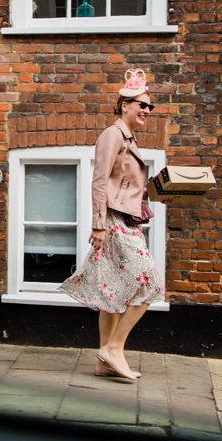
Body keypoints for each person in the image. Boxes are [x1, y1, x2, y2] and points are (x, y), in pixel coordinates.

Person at [58, 68, 164, 382]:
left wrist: (158, 193)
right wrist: (99, 226)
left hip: (124, 219)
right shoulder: (113, 135)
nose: (146, 110)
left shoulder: (129, 139)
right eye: (141, 104)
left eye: (149, 106)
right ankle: (115, 348)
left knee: (113, 291)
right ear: (123, 105)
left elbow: (124, 185)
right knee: (150, 282)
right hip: (115, 224)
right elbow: (99, 182)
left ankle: (105, 358)